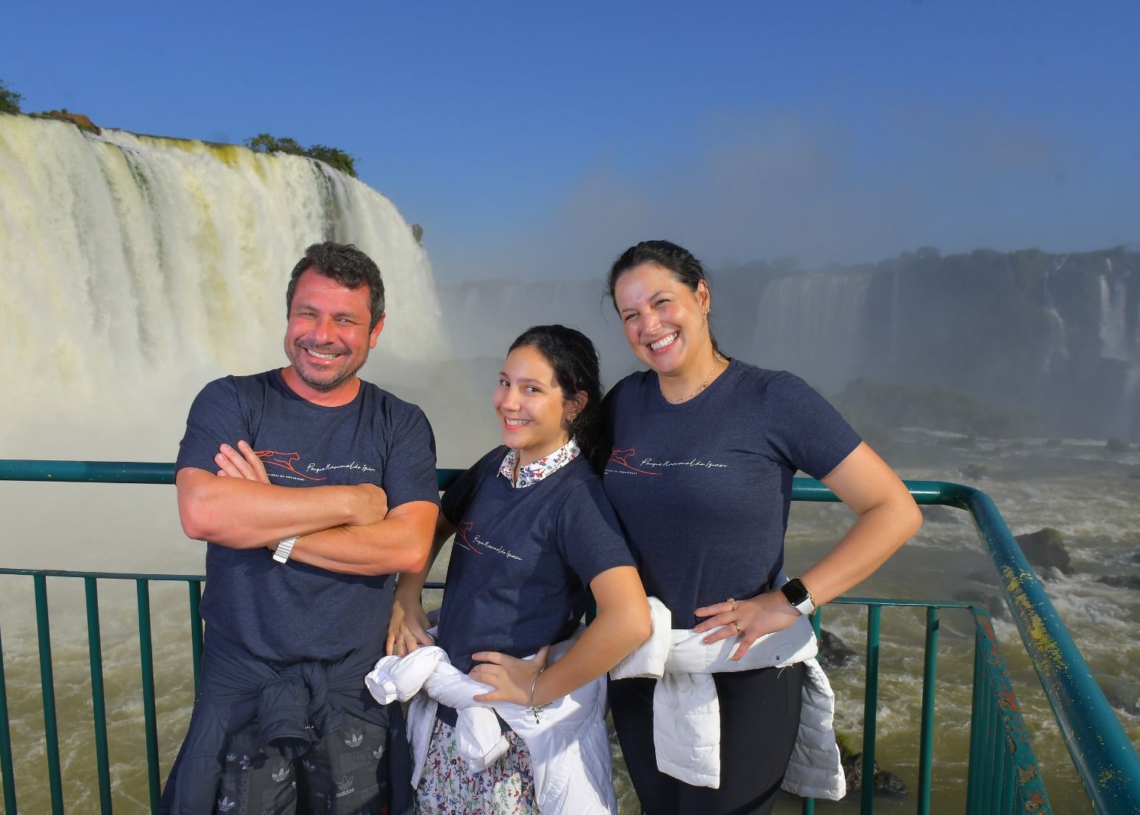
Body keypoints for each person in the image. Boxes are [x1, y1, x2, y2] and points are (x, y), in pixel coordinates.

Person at [601, 240, 924, 815]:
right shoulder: (626, 401)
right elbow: (557, 487)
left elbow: (894, 509)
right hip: (643, 667)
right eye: (631, 315)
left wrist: (791, 599)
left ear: (701, 296)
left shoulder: (773, 398)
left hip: (744, 671)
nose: (649, 325)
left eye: (662, 302)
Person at [160, 242, 440, 815]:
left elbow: (408, 544)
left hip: (355, 686)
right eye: (308, 314)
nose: (322, 334)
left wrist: (266, 519)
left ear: (375, 330)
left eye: (345, 319)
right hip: (241, 681)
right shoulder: (231, 400)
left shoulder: (399, 423)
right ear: (288, 315)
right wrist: (354, 500)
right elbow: (202, 513)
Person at [382, 324, 651, 815]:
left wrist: (537, 688)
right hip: (450, 721)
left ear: (574, 404)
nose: (508, 401)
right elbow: (432, 527)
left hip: (507, 740)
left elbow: (630, 619)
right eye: (505, 382)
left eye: (531, 390)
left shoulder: (576, 499)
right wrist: (406, 595)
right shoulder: (495, 465)